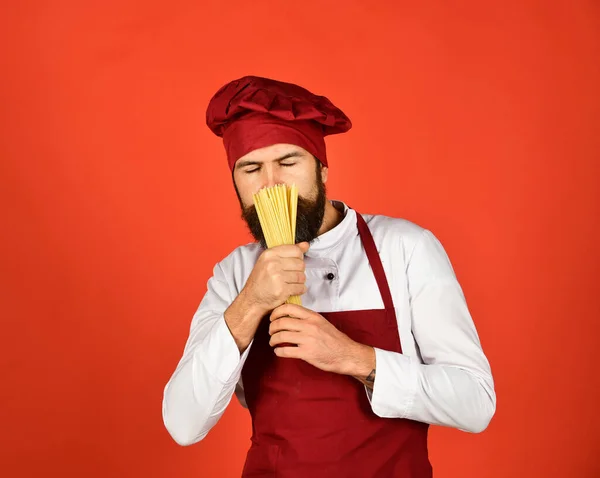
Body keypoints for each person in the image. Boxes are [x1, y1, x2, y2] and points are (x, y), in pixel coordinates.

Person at [162, 75, 496, 477]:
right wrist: (250, 303)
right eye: (251, 168)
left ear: (321, 169)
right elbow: (182, 424)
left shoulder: (405, 248)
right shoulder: (235, 274)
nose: (271, 185)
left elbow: (475, 404)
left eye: (288, 162)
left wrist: (352, 357)